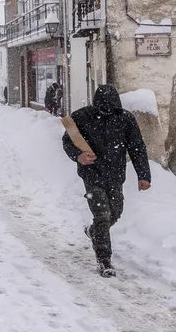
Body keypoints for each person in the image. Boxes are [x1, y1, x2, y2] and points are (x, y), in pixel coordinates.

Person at [61, 85, 151, 278]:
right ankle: (104, 260)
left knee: (115, 213)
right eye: (103, 108)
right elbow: (67, 141)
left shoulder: (125, 119)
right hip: (92, 174)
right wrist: (78, 156)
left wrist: (143, 175)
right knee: (102, 215)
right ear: (96, 105)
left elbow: (137, 147)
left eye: (111, 108)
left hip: (116, 175)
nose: (107, 111)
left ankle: (93, 231)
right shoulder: (82, 117)